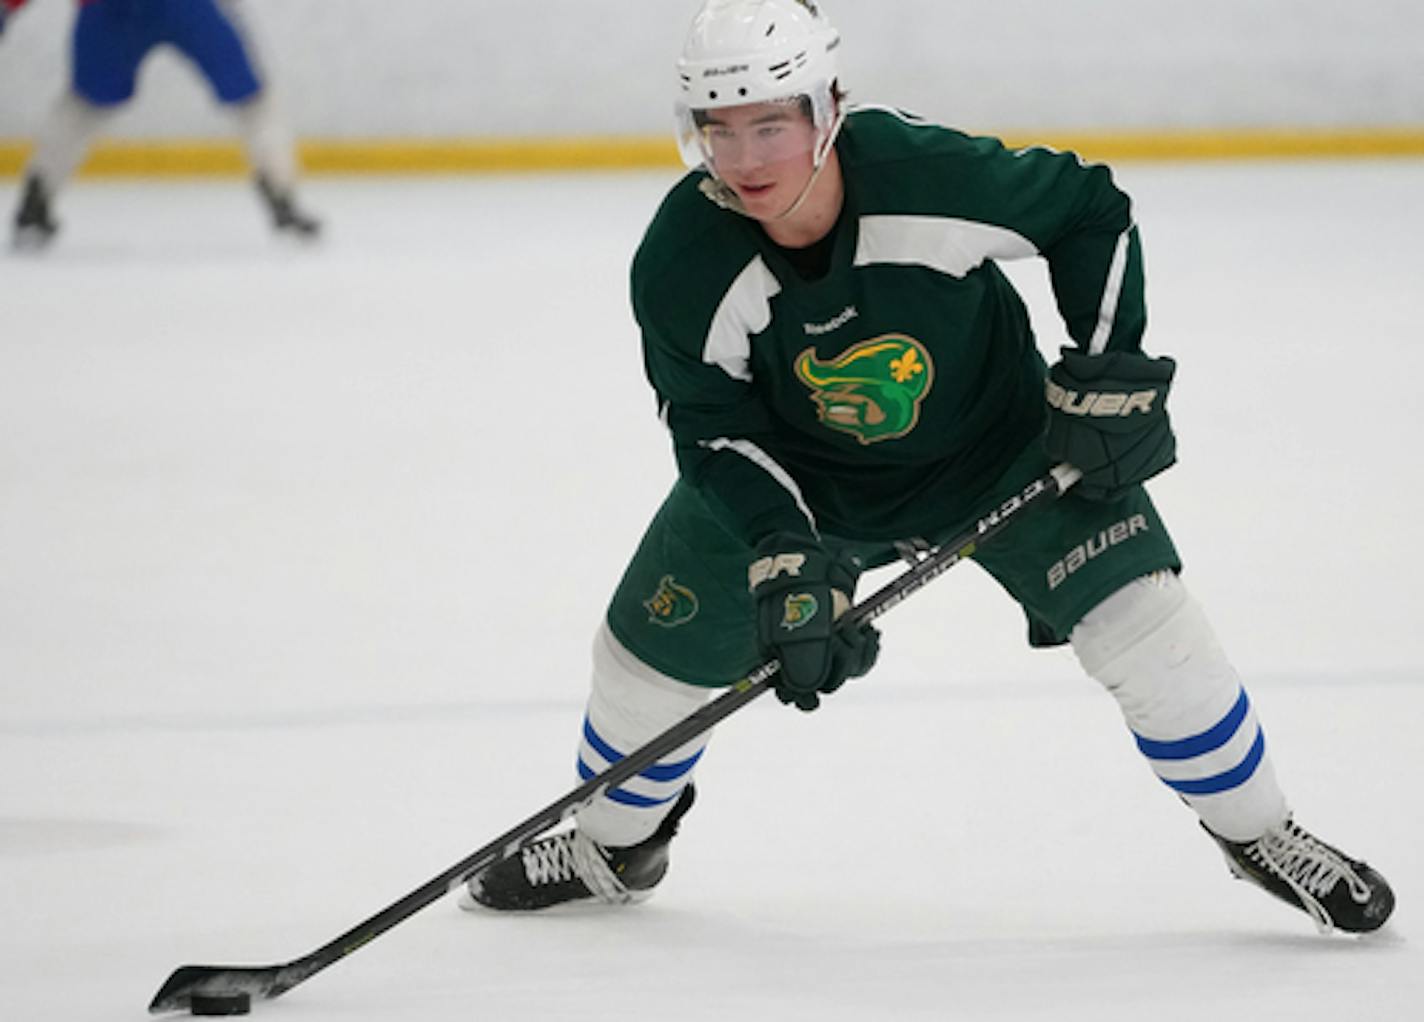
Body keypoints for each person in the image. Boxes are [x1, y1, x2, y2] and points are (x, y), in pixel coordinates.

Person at [461, 0, 1395, 935]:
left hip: (1003, 450)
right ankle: (612, 848)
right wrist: (783, 549)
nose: (745, 161)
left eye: (769, 125)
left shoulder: (926, 176)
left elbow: (1087, 210)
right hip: (805, 485)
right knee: (640, 667)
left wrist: (1112, 369)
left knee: (1151, 630)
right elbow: (712, 434)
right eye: (720, 129)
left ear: (828, 112)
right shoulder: (683, 261)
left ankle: (1261, 834)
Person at [3, 0, 320, 247]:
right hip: (182, 7)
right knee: (252, 100)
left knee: (84, 105)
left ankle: (37, 197)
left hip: (109, 10)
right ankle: (281, 193)